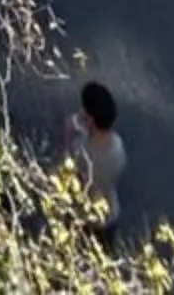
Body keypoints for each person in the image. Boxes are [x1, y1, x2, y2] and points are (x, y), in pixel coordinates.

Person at [63, 78, 126, 232]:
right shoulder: (118, 147)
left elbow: (68, 167)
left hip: (84, 215)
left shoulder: (82, 153)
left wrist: (69, 134)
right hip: (110, 213)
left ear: (90, 120)